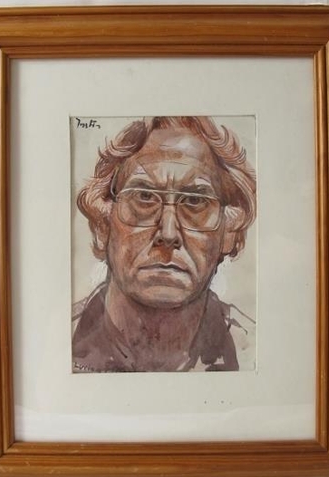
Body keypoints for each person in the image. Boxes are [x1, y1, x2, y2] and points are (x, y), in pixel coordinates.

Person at [72, 116, 256, 372]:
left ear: (230, 231)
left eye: (195, 202)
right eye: (144, 197)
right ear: (102, 224)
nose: (168, 234)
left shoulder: (253, 352)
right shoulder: (54, 348)